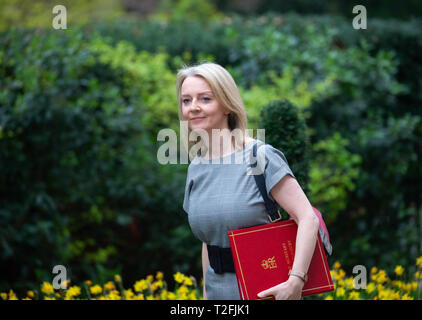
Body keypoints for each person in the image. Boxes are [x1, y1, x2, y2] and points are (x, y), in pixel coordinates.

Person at [178, 62, 320, 300]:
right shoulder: (196, 167)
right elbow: (209, 241)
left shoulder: (261, 157)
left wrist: (295, 281)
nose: (193, 108)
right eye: (186, 100)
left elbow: (308, 218)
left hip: (264, 291)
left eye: (205, 99)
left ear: (226, 105)